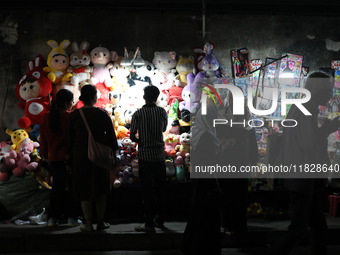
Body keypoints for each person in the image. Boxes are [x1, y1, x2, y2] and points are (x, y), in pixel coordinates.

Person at [268, 72, 340, 255]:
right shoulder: (305, 109)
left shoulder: (302, 108)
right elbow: (307, 143)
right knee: (299, 230)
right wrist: (328, 129)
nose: (331, 93)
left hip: (305, 179)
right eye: (328, 89)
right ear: (317, 90)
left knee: (317, 226)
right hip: (303, 179)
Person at [66, 85, 118, 232]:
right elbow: (112, 138)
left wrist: (69, 156)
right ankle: (100, 221)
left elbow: (69, 139)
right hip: (100, 157)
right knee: (101, 188)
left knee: (84, 189)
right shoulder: (102, 114)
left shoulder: (74, 115)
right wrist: (113, 153)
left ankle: (88, 223)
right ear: (94, 97)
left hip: (80, 157)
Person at [181, 101, 222, 255]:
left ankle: (191, 246)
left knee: (197, 216)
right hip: (207, 183)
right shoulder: (207, 136)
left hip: (200, 182)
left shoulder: (199, 131)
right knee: (206, 219)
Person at [130, 85, 168, 233]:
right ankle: (160, 220)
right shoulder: (162, 111)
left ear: (144, 96)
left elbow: (132, 136)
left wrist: (141, 141)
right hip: (159, 155)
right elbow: (164, 129)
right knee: (160, 189)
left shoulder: (138, 114)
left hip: (145, 156)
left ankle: (149, 223)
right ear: (157, 97)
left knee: (147, 191)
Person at [39, 89, 80, 227]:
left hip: (54, 159)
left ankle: (53, 219)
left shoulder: (46, 117)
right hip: (70, 159)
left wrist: (45, 155)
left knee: (57, 189)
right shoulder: (70, 117)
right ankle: (72, 218)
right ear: (68, 103)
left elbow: (43, 142)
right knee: (71, 188)